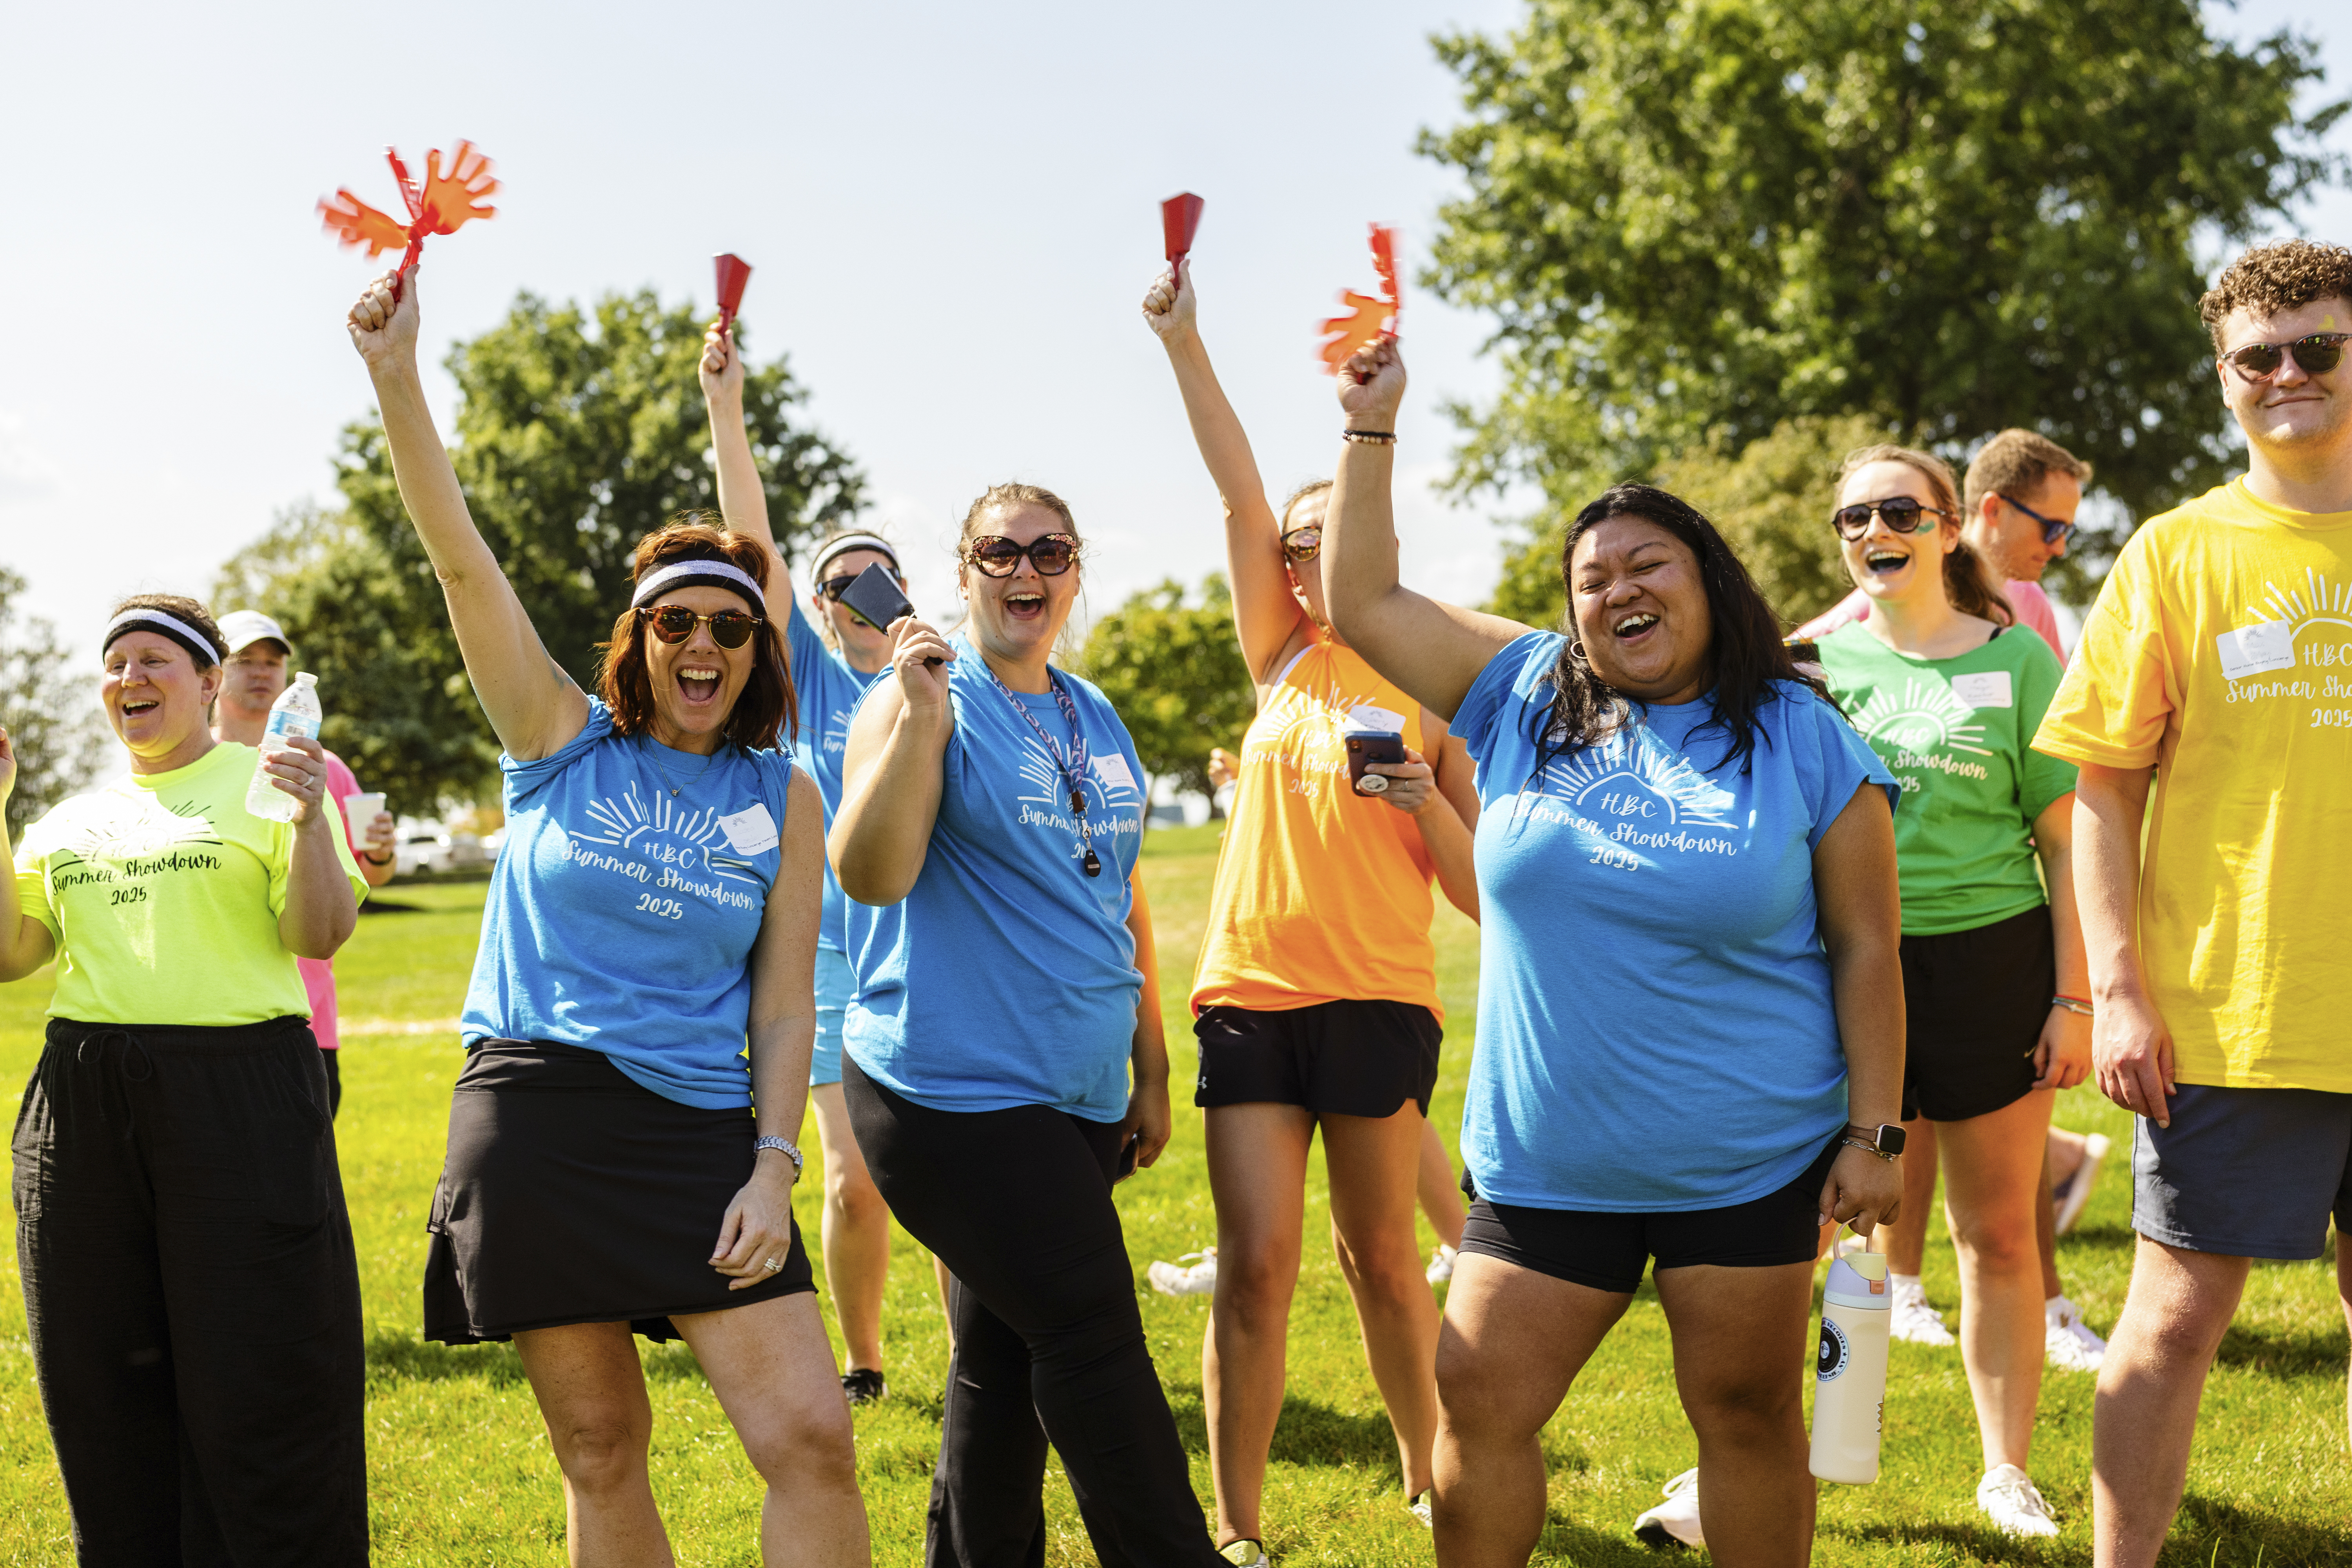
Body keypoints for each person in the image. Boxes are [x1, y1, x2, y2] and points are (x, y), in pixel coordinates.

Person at [1319, 336, 1906, 1568]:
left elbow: (1865, 946)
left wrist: (1873, 1133)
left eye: (1648, 563)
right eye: (1591, 578)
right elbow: (1360, 602)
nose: (1616, 589)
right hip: (1547, 1164)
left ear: (1709, 583)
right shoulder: (1526, 690)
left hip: (1742, 1157)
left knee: (1743, 1415)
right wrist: (1369, 427)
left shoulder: (1801, 732)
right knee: (1476, 1401)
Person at [346, 265, 869, 1566]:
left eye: (733, 631)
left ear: (758, 654)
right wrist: (397, 380)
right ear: (639, 641)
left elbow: (786, 999)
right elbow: (464, 569)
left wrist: (772, 1162)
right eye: (679, 623)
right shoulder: (560, 743)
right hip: (538, 1120)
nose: (705, 647)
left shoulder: (782, 792)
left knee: (808, 1432)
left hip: (699, 1136)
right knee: (598, 1447)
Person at [1141, 260, 1482, 1560]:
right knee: (1257, 1265)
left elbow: (1472, 886)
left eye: (1322, 540)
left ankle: (1425, 1460)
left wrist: (1415, 796)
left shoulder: (1433, 676)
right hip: (1253, 997)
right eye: (1289, 547)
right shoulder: (1278, 659)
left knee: (1384, 1261)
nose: (1298, 559)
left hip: (1383, 998)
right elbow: (1235, 484)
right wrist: (1187, 346)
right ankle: (1235, 1525)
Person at [830, 482, 1225, 1568]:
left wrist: (1149, 1064)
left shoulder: (1093, 714)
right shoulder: (919, 696)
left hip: (1079, 1095)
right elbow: (870, 874)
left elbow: (1118, 902)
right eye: (998, 554)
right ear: (960, 574)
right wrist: (918, 719)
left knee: (1002, 1357)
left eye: (1049, 553)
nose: (1025, 574)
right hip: (953, 1092)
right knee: (1095, 1338)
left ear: (1075, 570)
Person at [2031, 238, 2352, 1568]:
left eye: (2319, 349)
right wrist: (2115, 992)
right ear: (2224, 379)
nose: (2289, 375)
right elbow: (2100, 794)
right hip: (2234, 1015)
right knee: (2169, 1321)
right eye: (2258, 358)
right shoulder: (2175, 554)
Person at [2, 594, 368, 1564]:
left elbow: (320, 934)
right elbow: (11, 952)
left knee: (263, 1363)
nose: (131, 678)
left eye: (156, 660)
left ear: (208, 683)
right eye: (117, 663)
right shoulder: (68, 818)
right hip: (83, 1102)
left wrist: (309, 822)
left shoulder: (271, 781)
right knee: (98, 1366)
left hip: (239, 1093)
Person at [1810, 443, 2088, 1536]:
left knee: (2000, 1236)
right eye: (1853, 518)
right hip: (1848, 969)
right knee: (1832, 1233)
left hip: (1995, 966)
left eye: (1899, 512)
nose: (1876, 531)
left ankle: (2005, 1470)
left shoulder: (2019, 664)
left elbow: (2068, 848)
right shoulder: (1809, 667)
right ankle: (1827, 1448)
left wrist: (2076, 1000)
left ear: (1948, 525)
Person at [699, 319, 947, 1405]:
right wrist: (726, 409)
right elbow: (748, 534)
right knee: (852, 1182)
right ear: (816, 599)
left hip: (929, 960)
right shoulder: (799, 665)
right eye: (839, 577)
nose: (859, 589)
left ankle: (983, 1347)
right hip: (830, 974)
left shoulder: (938, 678)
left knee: (945, 1183)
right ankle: (866, 1362)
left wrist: (924, 671)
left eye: (877, 574)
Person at [210, 609, 398, 1117]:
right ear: (212, 671)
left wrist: (380, 849)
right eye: (244, 660)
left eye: (273, 662)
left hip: (307, 1023)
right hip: (204, 1020)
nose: (261, 672)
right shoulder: (188, 767)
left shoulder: (324, 767)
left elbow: (372, 874)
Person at [1795, 427, 2084, 656]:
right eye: (2052, 529)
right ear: (1993, 509)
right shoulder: (1888, 594)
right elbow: (1790, 658)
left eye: (2066, 533)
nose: (2059, 548)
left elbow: (2057, 720)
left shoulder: (2031, 601)